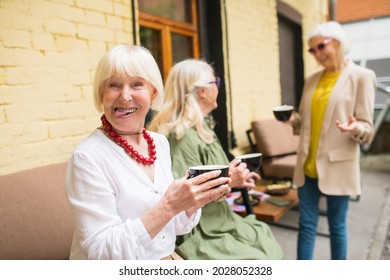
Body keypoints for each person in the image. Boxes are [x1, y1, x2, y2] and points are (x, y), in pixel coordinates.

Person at [65, 45, 231, 260]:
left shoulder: (159, 143)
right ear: (101, 93)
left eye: (137, 84)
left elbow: (175, 228)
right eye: (114, 85)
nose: (125, 96)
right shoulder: (87, 158)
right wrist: (169, 205)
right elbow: (101, 254)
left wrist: (192, 200)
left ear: (153, 92)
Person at [148, 59, 283, 260]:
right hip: (201, 231)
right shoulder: (182, 137)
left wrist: (235, 179)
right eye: (216, 82)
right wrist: (230, 181)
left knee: (266, 241)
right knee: (264, 256)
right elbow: (183, 198)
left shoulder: (202, 128)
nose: (218, 87)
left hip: (221, 219)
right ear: (203, 91)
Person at [286, 21, 376, 260]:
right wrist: (292, 119)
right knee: (306, 226)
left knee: (337, 228)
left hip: (338, 166)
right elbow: (304, 122)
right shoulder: (312, 80)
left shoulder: (362, 77)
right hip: (306, 167)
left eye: (320, 47)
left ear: (337, 43)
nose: (317, 54)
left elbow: (367, 129)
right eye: (312, 50)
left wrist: (354, 126)